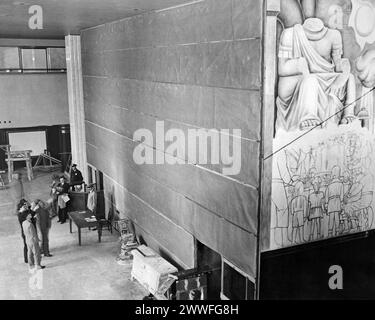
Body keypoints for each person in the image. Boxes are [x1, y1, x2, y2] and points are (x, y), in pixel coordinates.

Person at [276, 17, 356, 132]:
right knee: (311, 80)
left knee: (350, 78)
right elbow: (282, 68)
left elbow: (338, 67)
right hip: (295, 79)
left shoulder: (334, 35)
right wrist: (300, 64)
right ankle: (309, 116)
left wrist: (343, 73)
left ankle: (348, 113)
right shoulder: (290, 34)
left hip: (325, 77)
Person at [325, 166, 344, 237]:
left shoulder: (329, 185)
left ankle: (330, 233)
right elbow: (341, 195)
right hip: (337, 201)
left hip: (331, 202)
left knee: (331, 217)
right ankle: (337, 232)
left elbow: (326, 195)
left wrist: (326, 203)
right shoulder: (340, 184)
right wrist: (341, 203)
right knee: (337, 217)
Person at [17, 199, 29, 264]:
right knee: (26, 245)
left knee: (28, 245)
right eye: (25, 205)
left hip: (28, 230)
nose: (26, 205)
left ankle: (29, 257)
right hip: (25, 232)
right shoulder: (21, 214)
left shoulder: (26, 211)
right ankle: (26, 259)